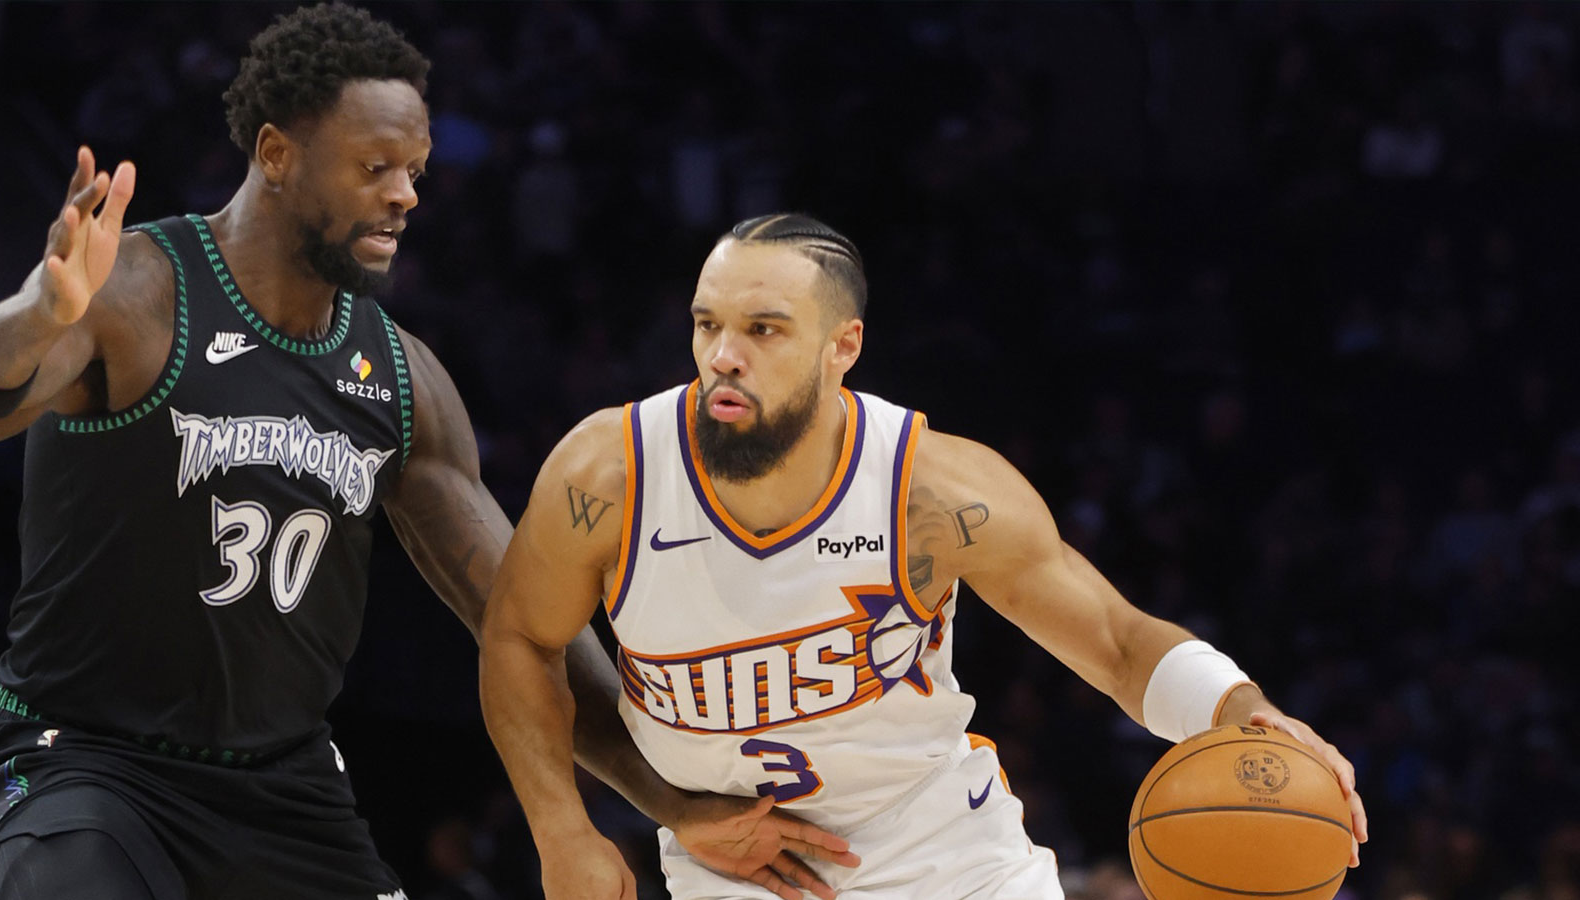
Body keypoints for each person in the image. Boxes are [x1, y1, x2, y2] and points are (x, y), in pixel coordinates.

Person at [0, 8, 849, 899]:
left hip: (280, 788)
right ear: (276, 155)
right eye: (374, 168)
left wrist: (669, 800)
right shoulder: (135, 288)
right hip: (84, 765)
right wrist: (38, 315)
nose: (406, 194)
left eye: (415, 171)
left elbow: (522, 619)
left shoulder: (401, 381)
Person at [479, 213, 1371, 899]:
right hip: (735, 869)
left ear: (844, 348)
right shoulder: (609, 474)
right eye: (707, 324)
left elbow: (1113, 638)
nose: (723, 357)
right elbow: (519, 639)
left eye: (764, 329)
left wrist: (1239, 707)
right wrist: (564, 831)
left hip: (948, 857)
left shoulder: (932, 493)